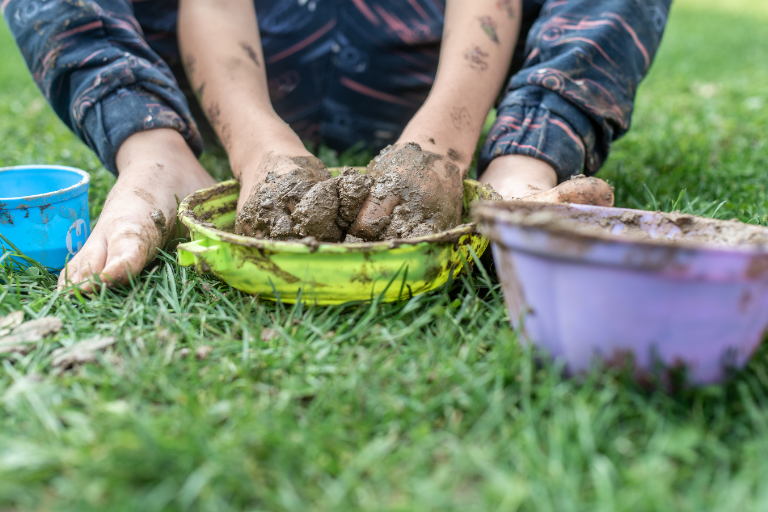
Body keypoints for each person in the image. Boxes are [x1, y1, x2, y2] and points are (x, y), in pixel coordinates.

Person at [3, 0, 671, 290]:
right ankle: (157, 152)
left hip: (423, 59)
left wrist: (443, 146)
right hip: (229, 66)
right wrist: (259, 148)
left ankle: (521, 167)